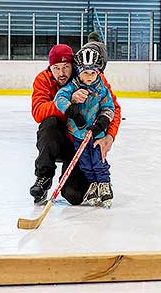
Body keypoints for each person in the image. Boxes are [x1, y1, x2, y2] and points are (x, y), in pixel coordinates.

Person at [30, 42, 121, 206]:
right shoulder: (43, 79)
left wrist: (109, 136)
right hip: (60, 140)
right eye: (56, 68)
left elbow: (113, 108)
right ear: (50, 67)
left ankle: (92, 185)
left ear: (74, 65)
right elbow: (38, 112)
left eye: (65, 67)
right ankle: (43, 177)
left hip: (83, 143)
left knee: (74, 196)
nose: (61, 72)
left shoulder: (91, 76)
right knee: (49, 123)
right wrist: (68, 102)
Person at [54, 46, 114, 208]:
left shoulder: (102, 88)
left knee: (98, 161)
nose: (89, 76)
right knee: (85, 162)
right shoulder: (72, 86)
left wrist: (103, 121)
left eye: (93, 72)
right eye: (85, 72)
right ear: (78, 71)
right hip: (79, 134)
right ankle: (92, 186)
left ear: (98, 72)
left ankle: (104, 184)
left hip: (97, 134)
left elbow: (109, 107)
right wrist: (72, 111)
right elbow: (59, 98)